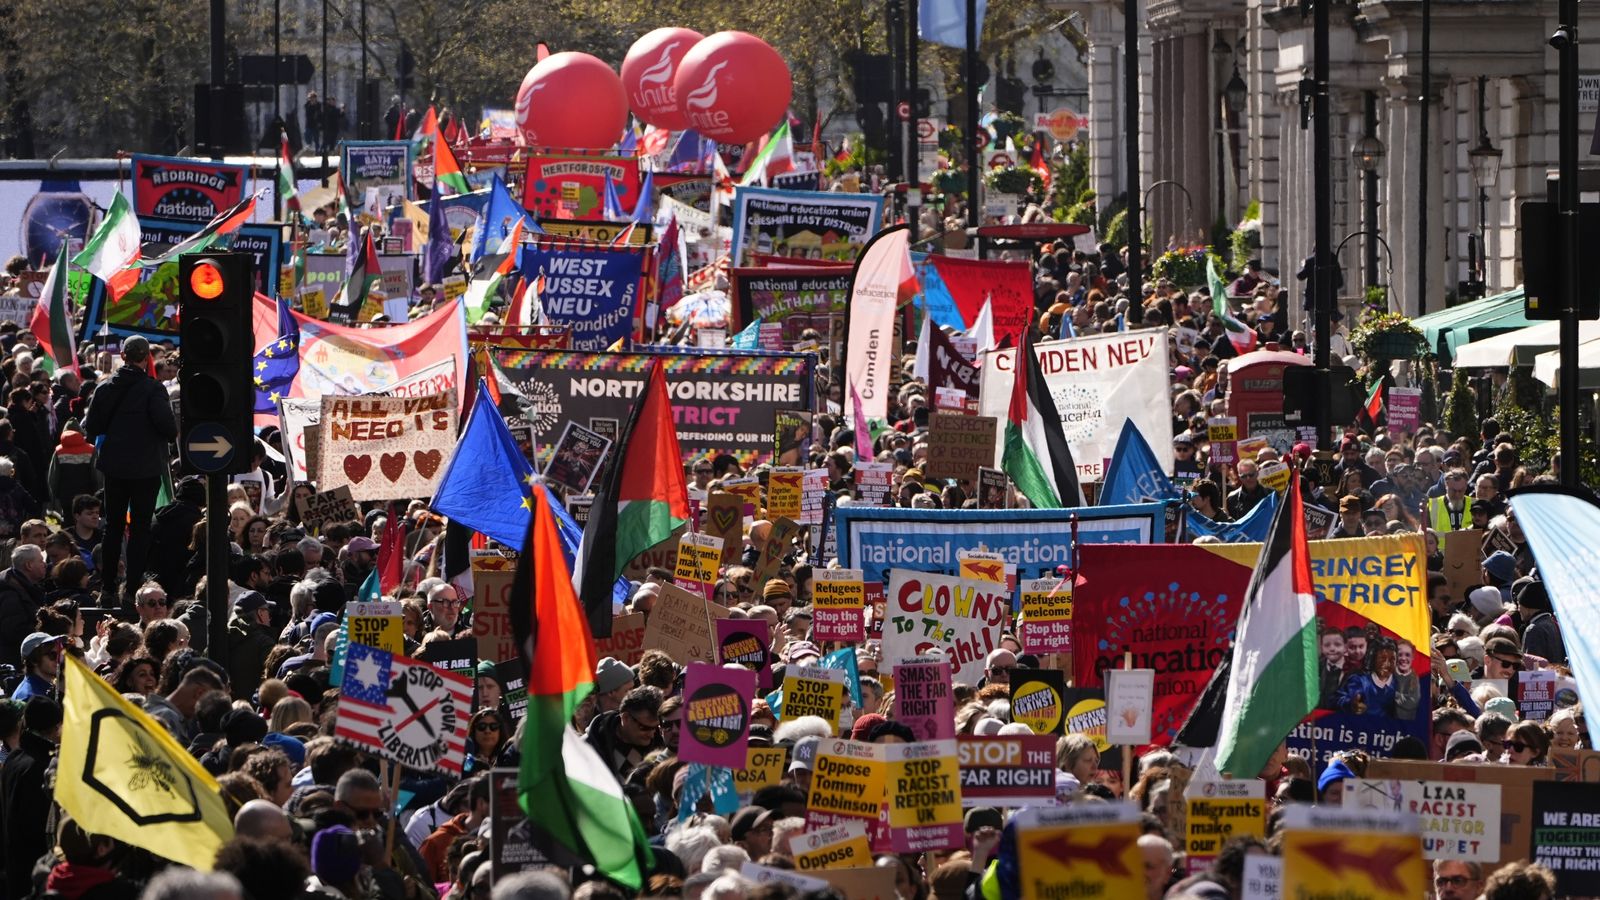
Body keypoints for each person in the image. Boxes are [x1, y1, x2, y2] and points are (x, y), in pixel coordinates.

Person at [82, 335, 177, 605]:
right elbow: (169, 429)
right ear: (146, 358)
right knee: (140, 527)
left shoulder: (104, 388)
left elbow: (92, 428)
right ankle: (133, 585)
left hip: (114, 467)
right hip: (146, 469)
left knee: (112, 526)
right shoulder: (153, 389)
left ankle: (108, 586)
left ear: (122, 356)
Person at [2, 696, 62, 898]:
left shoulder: (15, 757)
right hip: (33, 870)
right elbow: (39, 825)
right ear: (56, 728)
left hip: (14, 865)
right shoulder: (41, 767)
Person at [226, 591, 276, 701]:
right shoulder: (264, 642)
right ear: (260, 613)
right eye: (268, 611)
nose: (270, 617)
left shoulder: (224, 638)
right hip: (254, 708)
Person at [11, 631, 62, 701]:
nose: (60, 659)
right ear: (34, 660)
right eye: (52, 655)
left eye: (60, 654)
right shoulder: (28, 697)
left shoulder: (47, 687)